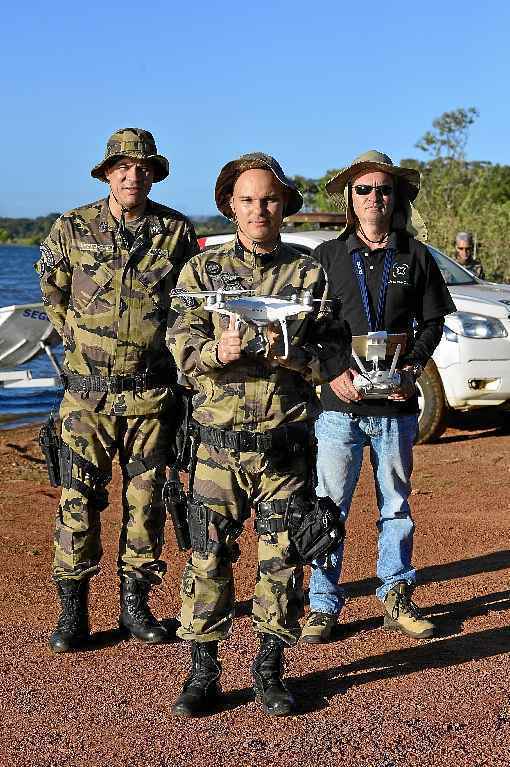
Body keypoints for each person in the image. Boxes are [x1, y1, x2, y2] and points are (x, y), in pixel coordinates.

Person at [166, 152, 349, 717]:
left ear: (284, 205)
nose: (258, 210)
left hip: (284, 448)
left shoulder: (309, 273)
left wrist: (296, 358)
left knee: (281, 562)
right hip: (218, 449)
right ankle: (202, 672)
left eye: (268, 199)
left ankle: (270, 670)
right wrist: (211, 352)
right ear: (229, 206)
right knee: (207, 561)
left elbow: (336, 355)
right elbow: (177, 346)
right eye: (246, 200)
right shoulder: (202, 272)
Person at [36, 128, 198, 653]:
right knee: (77, 501)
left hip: (151, 396)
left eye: (144, 167)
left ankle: (136, 607)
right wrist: (79, 342)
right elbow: (53, 292)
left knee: (147, 502)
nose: (134, 175)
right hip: (86, 398)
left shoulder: (173, 231)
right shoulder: (72, 227)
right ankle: (73, 611)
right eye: (124, 167)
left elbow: (187, 306)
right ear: (107, 173)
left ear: (154, 174)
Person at [300, 150, 456, 645]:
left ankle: (396, 595)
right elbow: (311, 327)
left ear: (397, 197)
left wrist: (412, 368)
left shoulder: (415, 255)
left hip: (396, 407)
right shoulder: (326, 257)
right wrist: (331, 373)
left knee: (396, 506)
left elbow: (434, 322)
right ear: (350, 198)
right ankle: (323, 604)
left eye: (384, 189)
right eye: (364, 189)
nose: (374, 198)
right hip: (339, 408)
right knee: (330, 507)